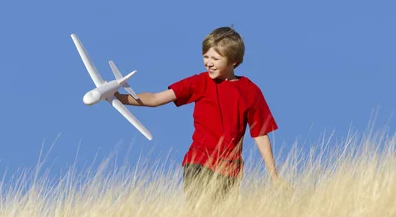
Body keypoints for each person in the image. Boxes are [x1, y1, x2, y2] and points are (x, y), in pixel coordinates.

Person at [115, 27, 289, 202]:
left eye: (215, 58)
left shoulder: (250, 92)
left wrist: (274, 176)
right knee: (198, 215)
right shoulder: (199, 82)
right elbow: (155, 98)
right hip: (197, 163)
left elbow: (260, 134)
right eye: (205, 57)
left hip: (229, 170)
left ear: (234, 61)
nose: (208, 63)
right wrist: (117, 96)